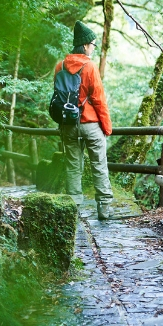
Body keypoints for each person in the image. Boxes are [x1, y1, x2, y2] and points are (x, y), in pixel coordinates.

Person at [55, 21, 115, 219]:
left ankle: (73, 208)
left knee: (73, 165)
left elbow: (59, 97)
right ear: (85, 45)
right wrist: (106, 127)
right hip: (90, 124)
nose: (93, 48)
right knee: (99, 164)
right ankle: (104, 209)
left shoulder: (60, 66)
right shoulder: (90, 67)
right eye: (92, 45)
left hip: (69, 124)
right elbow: (98, 99)